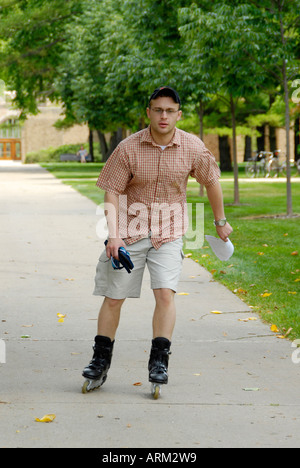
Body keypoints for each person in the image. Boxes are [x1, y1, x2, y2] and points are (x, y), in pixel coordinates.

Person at [82, 86, 233, 393]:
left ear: (179, 114)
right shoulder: (128, 147)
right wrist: (114, 236)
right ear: (148, 112)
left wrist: (220, 221)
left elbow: (212, 182)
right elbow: (111, 190)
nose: (164, 116)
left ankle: (159, 362)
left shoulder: (192, 147)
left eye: (170, 110)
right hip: (129, 232)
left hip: (170, 232)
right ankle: (100, 361)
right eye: (157, 110)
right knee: (114, 298)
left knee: (166, 294)